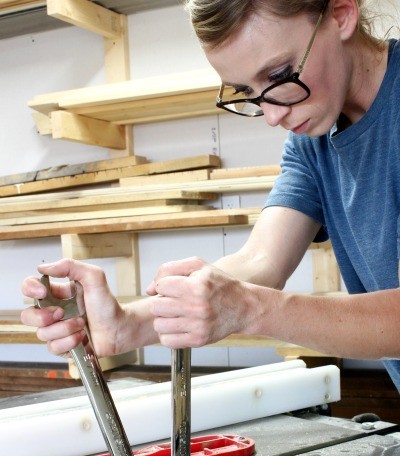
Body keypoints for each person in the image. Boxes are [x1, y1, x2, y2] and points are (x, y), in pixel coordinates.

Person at [21, 0, 400, 391]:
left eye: (279, 74)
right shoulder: (312, 139)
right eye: (246, 91)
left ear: (341, 14)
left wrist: (252, 308)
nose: (271, 116)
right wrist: (126, 325)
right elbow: (260, 260)